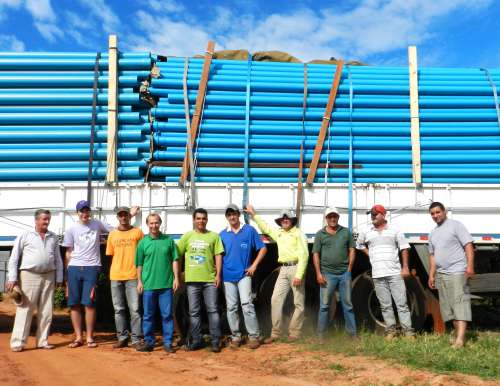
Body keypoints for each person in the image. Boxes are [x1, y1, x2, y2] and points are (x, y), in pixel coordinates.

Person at [62, 199, 138, 348]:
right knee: (74, 304)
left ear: (89, 212)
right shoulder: (71, 229)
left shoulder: (97, 224)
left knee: (90, 303)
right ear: (77, 213)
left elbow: (117, 229)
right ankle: (78, 337)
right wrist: (66, 277)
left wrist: (131, 215)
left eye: (86, 210)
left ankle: (90, 337)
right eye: (82, 211)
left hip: (92, 267)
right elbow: (68, 253)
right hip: (74, 267)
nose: (85, 213)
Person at [245, 205, 309, 343]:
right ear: (280, 221)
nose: (285, 220)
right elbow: (266, 228)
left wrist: (299, 275)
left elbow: (304, 255)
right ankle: (276, 333)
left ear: (292, 220)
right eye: (283, 218)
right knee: (275, 299)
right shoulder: (279, 233)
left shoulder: (298, 233)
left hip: (296, 267)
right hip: (283, 269)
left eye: (287, 218)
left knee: (298, 302)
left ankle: (295, 332)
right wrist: (253, 215)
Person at [7, 209, 64, 352]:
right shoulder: (25, 235)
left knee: (46, 310)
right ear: (36, 220)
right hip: (29, 275)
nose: (47, 222)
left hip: (49, 275)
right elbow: (14, 258)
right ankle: (18, 343)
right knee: (25, 309)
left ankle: (43, 341)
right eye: (44, 219)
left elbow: (58, 258)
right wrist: (12, 278)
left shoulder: (53, 237)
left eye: (48, 219)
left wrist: (59, 277)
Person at [356, 204, 415, 338]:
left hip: (394, 273)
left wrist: (405, 267)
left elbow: (404, 248)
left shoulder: (395, 229)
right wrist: (370, 253)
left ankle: (409, 333)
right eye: (371, 214)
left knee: (401, 304)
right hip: (377, 274)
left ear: (384, 215)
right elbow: (359, 245)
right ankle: (391, 331)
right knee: (385, 305)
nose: (373, 216)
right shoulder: (366, 230)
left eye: (375, 214)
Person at [220, 204, 267, 349]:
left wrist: (254, 265)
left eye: (234, 214)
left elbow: (263, 248)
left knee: (247, 305)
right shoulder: (222, 234)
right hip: (227, 276)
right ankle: (236, 337)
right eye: (229, 214)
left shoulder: (249, 231)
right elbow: (218, 256)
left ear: (239, 215)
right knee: (231, 308)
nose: (232, 217)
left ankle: (254, 336)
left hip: (244, 275)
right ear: (226, 217)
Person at [177, 208, 224, 353]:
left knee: (213, 310)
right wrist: (178, 275)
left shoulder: (214, 236)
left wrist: (218, 276)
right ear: (193, 220)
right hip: (192, 281)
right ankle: (197, 341)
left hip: (209, 280)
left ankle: (215, 341)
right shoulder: (187, 236)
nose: (201, 221)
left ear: (207, 220)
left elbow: (218, 256)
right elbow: (177, 255)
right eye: (198, 218)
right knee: (194, 312)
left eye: (203, 218)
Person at [428, 202, 474, 348]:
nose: (435, 215)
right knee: (449, 309)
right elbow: (432, 256)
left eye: (438, 212)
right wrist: (431, 275)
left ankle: (460, 340)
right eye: (433, 214)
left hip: (457, 271)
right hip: (441, 274)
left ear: (444, 211)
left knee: (460, 305)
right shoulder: (433, 233)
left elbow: (468, 245)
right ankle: (458, 337)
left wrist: (470, 267)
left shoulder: (456, 225)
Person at [135, 213, 180, 353]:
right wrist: (139, 282)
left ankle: (167, 342)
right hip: (148, 285)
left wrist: (176, 278)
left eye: (156, 223)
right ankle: (149, 342)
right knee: (148, 315)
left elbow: (175, 260)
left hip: (166, 285)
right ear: (147, 225)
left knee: (166, 315)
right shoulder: (143, 243)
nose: (154, 226)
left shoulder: (169, 240)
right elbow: (139, 264)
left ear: (160, 223)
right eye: (151, 223)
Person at [313, 207, 356, 340]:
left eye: (335, 216)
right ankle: (321, 335)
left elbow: (352, 250)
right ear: (326, 219)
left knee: (348, 305)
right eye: (330, 217)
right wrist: (319, 274)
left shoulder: (345, 232)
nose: (332, 219)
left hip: (344, 274)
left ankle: (352, 334)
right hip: (327, 274)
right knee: (324, 306)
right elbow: (316, 254)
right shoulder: (320, 234)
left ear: (338, 217)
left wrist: (349, 270)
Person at [106, 206, 144, 349]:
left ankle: (136, 339)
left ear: (130, 216)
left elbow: (142, 256)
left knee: (134, 309)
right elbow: (110, 256)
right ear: (117, 217)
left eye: (125, 215)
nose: (123, 218)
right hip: (115, 276)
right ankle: (122, 337)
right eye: (120, 215)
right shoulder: (112, 235)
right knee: (119, 309)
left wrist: (141, 277)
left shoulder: (138, 233)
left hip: (133, 276)